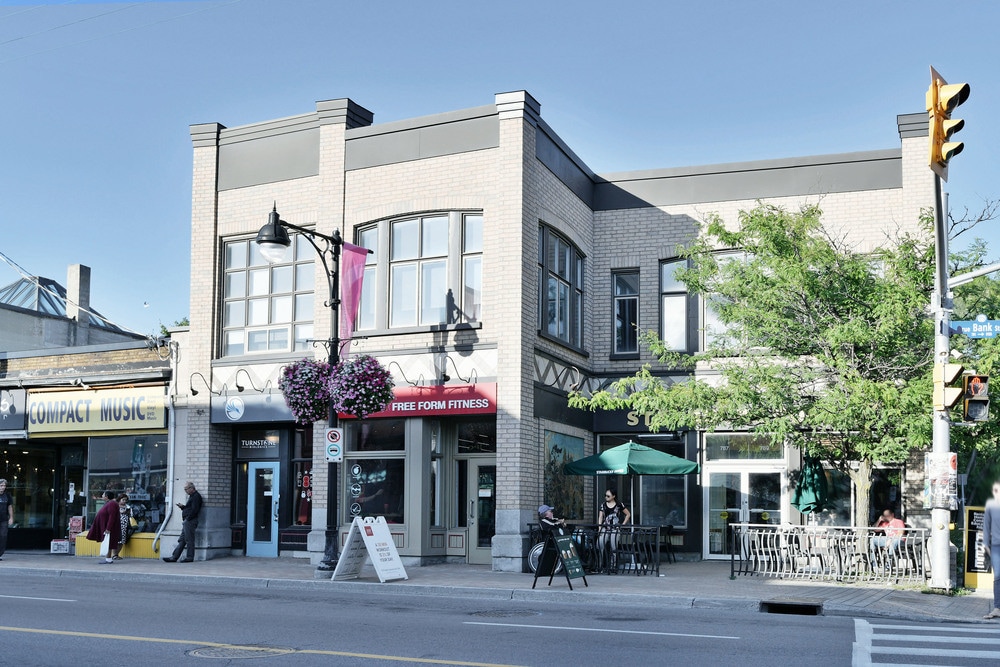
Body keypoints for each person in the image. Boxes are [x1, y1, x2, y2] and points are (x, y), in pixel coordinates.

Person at [164, 481, 202, 563]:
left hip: (190, 521)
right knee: (182, 539)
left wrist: (188, 519)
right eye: (185, 489)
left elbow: (195, 510)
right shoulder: (192, 496)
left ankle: (189, 557)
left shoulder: (196, 496)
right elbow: (190, 509)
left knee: (189, 539)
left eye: (186, 489)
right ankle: (174, 557)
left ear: (191, 488)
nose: (185, 491)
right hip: (187, 521)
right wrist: (183, 507)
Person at [86, 491, 125, 564]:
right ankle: (108, 558)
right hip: (106, 527)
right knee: (107, 542)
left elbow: (112, 517)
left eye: (103, 495)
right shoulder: (110, 503)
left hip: (109, 528)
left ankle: (108, 559)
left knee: (108, 542)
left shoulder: (112, 504)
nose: (102, 496)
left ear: (107, 497)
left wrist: (108, 528)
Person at [597, 488, 631, 571]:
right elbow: (600, 516)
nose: (606, 497)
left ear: (613, 496)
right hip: (605, 527)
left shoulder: (619, 505)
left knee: (613, 547)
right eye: (605, 495)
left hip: (615, 529)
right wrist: (599, 527)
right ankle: (599, 566)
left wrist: (622, 525)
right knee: (600, 545)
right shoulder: (603, 505)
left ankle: (613, 566)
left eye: (608, 496)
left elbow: (628, 514)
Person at [982, 481, 1000, 619]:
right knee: (998, 576)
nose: (997, 493)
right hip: (996, 546)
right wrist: (986, 546)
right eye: (995, 490)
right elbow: (986, 526)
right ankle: (997, 608)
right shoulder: (991, 505)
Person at [0, 478, 13, 561]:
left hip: (4, 519)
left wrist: (11, 517)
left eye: (4, 486)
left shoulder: (7, 495)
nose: (3, 487)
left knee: (3, 536)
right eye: (1, 485)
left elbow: (10, 507)